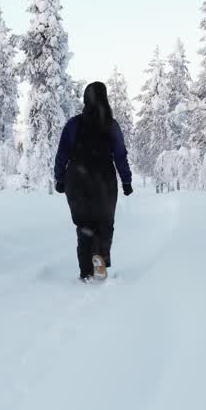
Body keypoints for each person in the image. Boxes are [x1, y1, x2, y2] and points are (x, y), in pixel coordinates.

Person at [54, 81, 133, 281]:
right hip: (103, 180)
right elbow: (120, 155)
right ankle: (100, 258)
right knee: (104, 223)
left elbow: (62, 153)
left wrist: (60, 178)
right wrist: (126, 180)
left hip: (77, 180)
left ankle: (85, 272)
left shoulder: (74, 124)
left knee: (84, 226)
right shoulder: (111, 125)